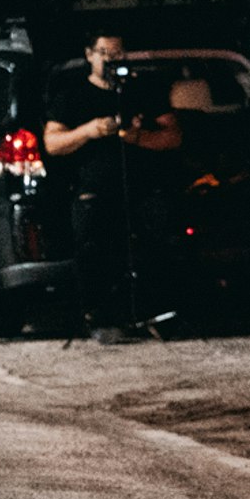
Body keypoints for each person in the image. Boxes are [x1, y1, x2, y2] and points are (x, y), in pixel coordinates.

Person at [41, 32, 183, 342]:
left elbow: (173, 135)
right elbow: (52, 142)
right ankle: (99, 316)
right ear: (89, 54)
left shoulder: (142, 89)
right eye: (103, 53)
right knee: (92, 243)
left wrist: (137, 138)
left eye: (116, 54)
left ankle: (153, 312)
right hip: (95, 187)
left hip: (142, 186)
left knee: (160, 236)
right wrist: (89, 131)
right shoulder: (72, 94)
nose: (110, 60)